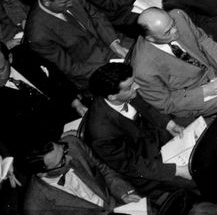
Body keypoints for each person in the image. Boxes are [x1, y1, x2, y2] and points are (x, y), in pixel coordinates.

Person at [82, 62, 196, 198]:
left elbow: (147, 108)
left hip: (157, 138)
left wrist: (169, 125)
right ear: (112, 96)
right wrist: (177, 170)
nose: (137, 86)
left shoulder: (125, 92)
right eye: (130, 87)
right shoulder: (101, 133)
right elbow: (132, 165)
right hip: (148, 167)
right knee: (196, 177)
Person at [130, 7, 217, 125]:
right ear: (150, 39)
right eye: (168, 32)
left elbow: (202, 40)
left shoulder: (178, 15)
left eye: (172, 24)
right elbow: (165, 103)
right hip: (192, 93)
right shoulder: (142, 69)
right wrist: (204, 91)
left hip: (210, 63)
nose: (175, 30)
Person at [24, 0, 129, 90]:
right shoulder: (37, 34)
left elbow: (95, 15)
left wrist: (114, 44)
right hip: (92, 68)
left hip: (109, 39)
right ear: (47, 2)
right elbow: (70, 68)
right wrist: (110, 66)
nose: (70, 3)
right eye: (64, 3)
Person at [21, 134, 142, 215]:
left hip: (119, 203)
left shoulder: (73, 144)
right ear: (42, 174)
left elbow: (104, 170)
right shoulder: (35, 209)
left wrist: (124, 193)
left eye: (64, 150)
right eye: (62, 161)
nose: (69, 158)